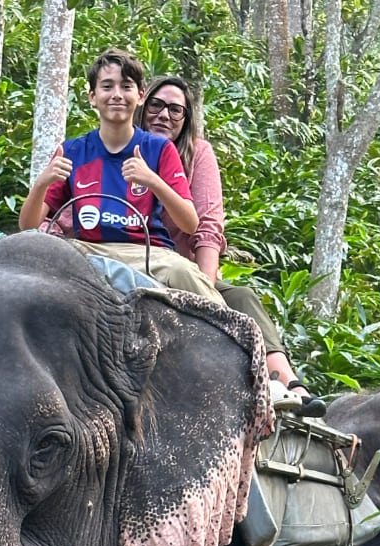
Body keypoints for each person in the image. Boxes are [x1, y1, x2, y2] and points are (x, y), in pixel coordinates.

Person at [136, 75, 326, 416]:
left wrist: (206, 291)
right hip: (130, 258)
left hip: (180, 268)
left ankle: (284, 381)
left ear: (187, 118)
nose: (164, 115)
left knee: (240, 297)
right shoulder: (121, 147)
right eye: (157, 105)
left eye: (175, 110)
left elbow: (206, 226)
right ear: (142, 105)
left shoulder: (195, 153)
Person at [18, 48, 224, 304]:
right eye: (107, 86)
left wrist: (152, 180)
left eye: (126, 86)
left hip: (149, 254)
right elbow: (27, 226)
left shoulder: (159, 149)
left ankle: (235, 336)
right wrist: (41, 184)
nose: (117, 95)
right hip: (87, 249)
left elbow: (191, 224)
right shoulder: (71, 151)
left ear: (139, 96)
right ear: (92, 96)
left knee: (185, 275)